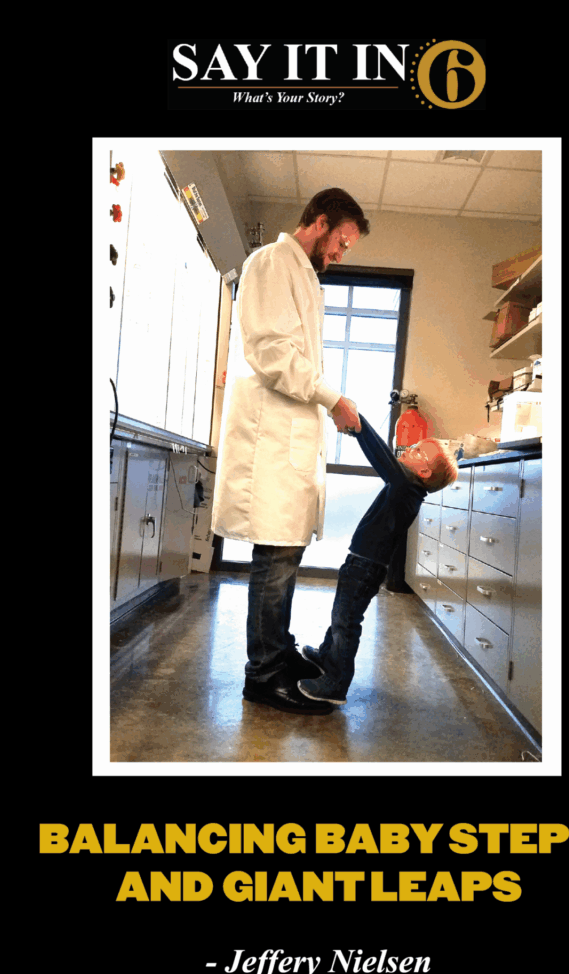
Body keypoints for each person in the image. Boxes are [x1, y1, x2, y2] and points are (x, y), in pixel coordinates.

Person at [211, 188, 370, 715]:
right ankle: (263, 676)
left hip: (289, 443)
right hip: (269, 443)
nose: (341, 254)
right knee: (274, 561)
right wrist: (334, 398)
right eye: (341, 242)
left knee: (286, 555)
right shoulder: (271, 263)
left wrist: (327, 402)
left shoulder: (302, 275)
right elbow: (273, 353)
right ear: (319, 223)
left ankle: (277, 654)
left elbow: (297, 360)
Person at [297, 413, 459, 706]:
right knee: (340, 615)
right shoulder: (406, 487)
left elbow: (382, 458)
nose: (410, 449)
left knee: (346, 621)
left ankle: (335, 683)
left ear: (424, 472)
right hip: (361, 562)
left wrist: (359, 425)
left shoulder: (406, 489)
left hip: (365, 566)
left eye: (419, 451)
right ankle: (326, 655)